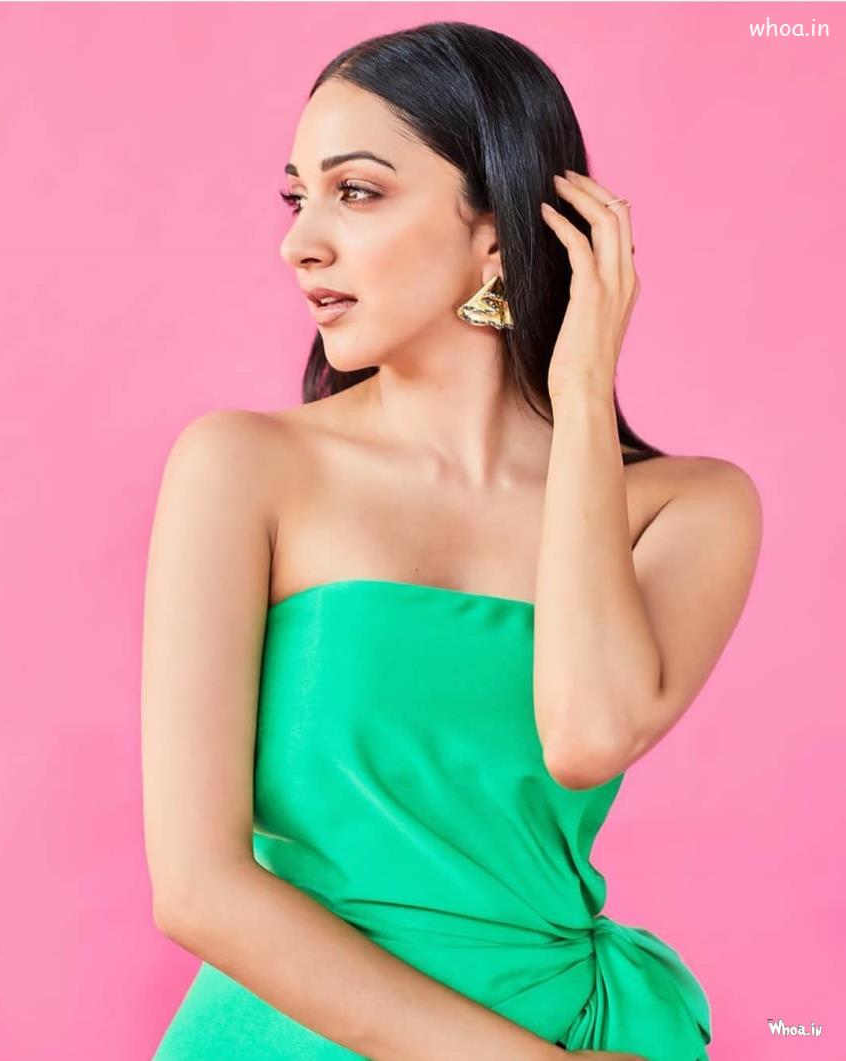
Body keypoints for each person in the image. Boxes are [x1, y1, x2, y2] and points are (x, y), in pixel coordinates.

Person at [141, 21, 762, 1061]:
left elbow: (585, 735)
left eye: (357, 191)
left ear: (498, 232)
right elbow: (199, 888)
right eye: (297, 198)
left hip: (565, 1014)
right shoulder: (242, 467)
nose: (300, 243)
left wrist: (580, 389)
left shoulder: (688, 506)